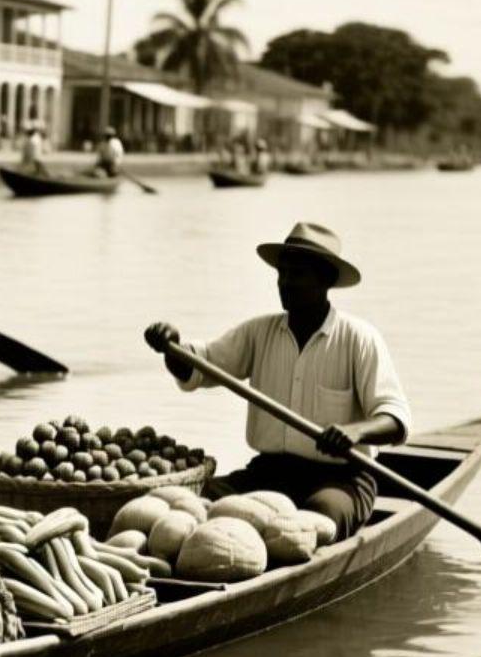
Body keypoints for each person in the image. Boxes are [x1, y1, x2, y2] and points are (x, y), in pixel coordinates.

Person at [143, 221, 410, 540]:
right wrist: (171, 346)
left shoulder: (359, 338)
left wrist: (355, 432)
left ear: (325, 279)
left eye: (296, 274)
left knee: (317, 520)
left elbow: (395, 419)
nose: (285, 283)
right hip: (269, 472)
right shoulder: (259, 332)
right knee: (198, 503)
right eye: (282, 274)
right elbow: (199, 367)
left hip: (341, 478)